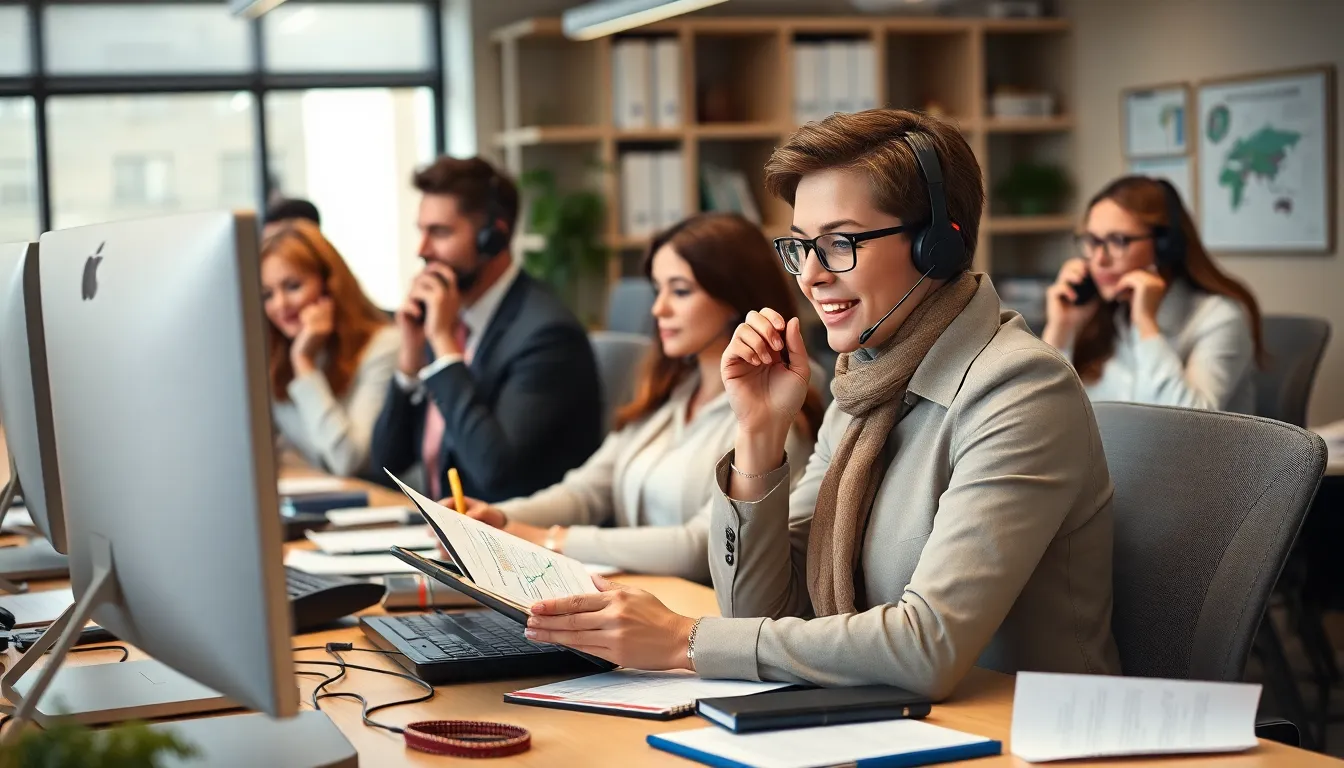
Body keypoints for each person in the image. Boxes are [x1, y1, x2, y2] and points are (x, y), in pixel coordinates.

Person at [516, 109, 1121, 699]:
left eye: (838, 243)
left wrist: (686, 641)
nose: (809, 277)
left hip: (1024, 736)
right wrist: (758, 438)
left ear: (938, 246)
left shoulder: (1018, 390)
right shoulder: (864, 383)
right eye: (802, 246)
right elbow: (760, 608)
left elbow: (927, 646)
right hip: (889, 720)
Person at [456, 214, 823, 583]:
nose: (657, 309)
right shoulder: (671, 394)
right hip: (636, 599)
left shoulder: (776, 410)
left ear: (735, 297)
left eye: (679, 291)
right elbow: (586, 492)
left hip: (701, 614)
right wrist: (497, 518)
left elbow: (703, 544)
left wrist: (551, 539)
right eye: (657, 290)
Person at [370, 157, 604, 503]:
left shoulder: (547, 336)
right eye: (421, 231)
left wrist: (443, 344)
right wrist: (410, 358)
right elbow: (387, 462)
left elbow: (494, 471)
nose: (422, 250)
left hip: (512, 546)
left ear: (493, 237)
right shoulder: (445, 318)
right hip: (443, 536)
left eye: (440, 232)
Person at [1042, 176, 1264, 413]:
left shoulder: (1219, 318)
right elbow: (1039, 414)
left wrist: (1146, 325)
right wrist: (1061, 331)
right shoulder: (1106, 313)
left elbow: (1190, 426)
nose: (1099, 259)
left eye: (1118, 240)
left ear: (1165, 246)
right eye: (1093, 241)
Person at [261, 220, 399, 476]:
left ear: (330, 286)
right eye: (268, 294)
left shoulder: (383, 346)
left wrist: (304, 362)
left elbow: (347, 461)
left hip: (384, 504)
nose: (280, 305)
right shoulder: (274, 358)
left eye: (293, 286)